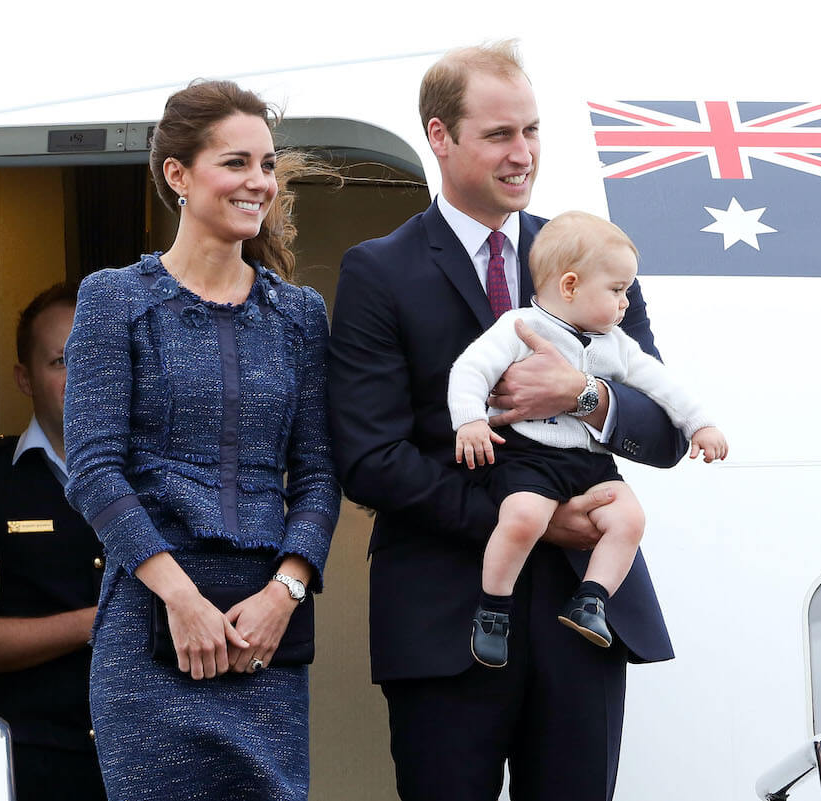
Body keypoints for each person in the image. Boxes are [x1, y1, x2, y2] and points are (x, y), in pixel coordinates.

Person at [328, 42, 686, 801]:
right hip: (444, 617)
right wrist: (534, 519)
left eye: (530, 131)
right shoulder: (378, 270)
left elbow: (663, 432)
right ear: (439, 136)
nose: (521, 153)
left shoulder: (590, 258)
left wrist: (583, 397)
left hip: (581, 612)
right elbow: (370, 457)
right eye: (498, 135)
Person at [62, 80, 340, 801]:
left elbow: (316, 473)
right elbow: (93, 467)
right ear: (177, 175)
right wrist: (180, 598)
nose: (259, 183)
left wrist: (286, 590)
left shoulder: (300, 315)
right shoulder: (114, 297)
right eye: (237, 162)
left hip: (265, 637)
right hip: (150, 629)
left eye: (269, 165)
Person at [449, 211, 728, 668]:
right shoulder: (521, 327)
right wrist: (470, 421)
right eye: (617, 291)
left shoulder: (616, 343)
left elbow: (662, 386)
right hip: (533, 457)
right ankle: (494, 609)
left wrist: (700, 424)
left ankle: (591, 599)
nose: (625, 304)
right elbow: (470, 369)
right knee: (522, 516)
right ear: (572, 286)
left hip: (593, 464)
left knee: (629, 518)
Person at [0, 283, 107, 801]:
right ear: (24, 379)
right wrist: (92, 624)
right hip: (31, 766)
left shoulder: (161, 478)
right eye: (60, 361)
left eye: (97, 357)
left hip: (145, 760)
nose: (84, 378)